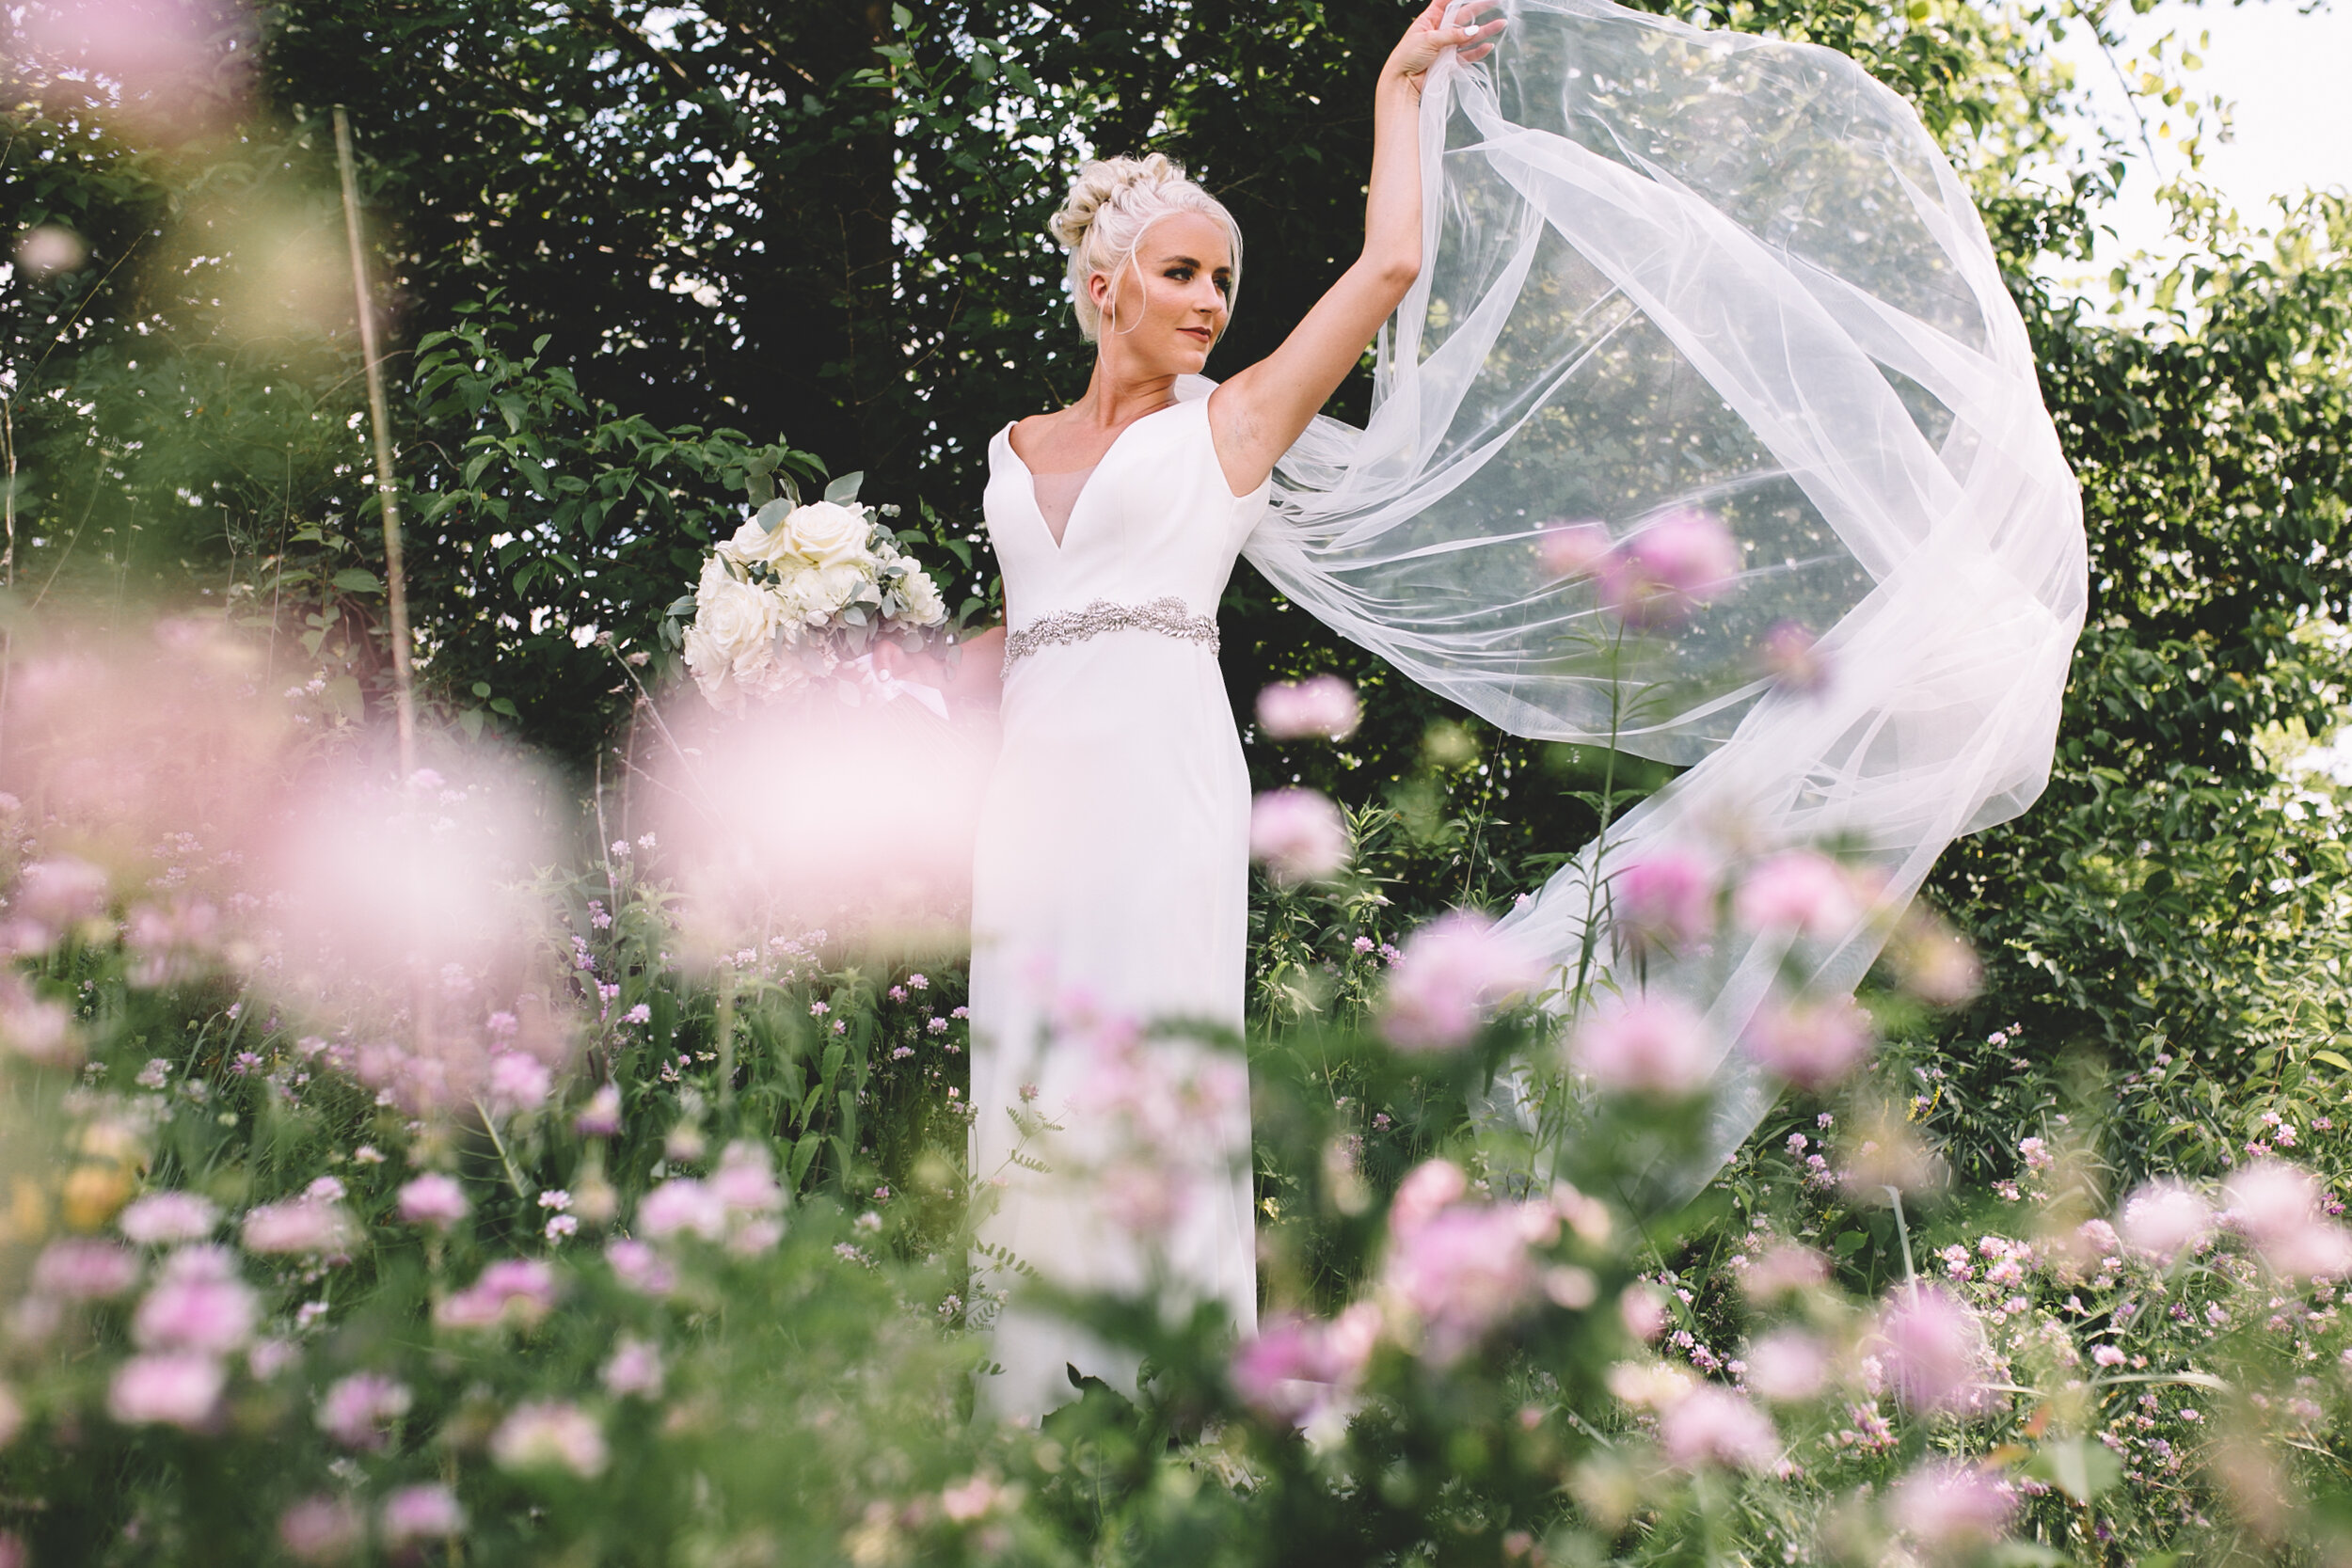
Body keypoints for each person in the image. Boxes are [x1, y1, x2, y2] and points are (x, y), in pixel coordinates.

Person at [947, 0, 1504, 1424]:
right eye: (1181, 272)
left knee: (1150, 1064)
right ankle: (1028, 1414)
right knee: (1029, 1066)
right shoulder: (1009, 452)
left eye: (1223, 280)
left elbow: (1390, 263)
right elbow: (1024, 630)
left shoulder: (1232, 424)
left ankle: (1174, 1406)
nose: (1209, 300)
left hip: (1160, 786)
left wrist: (1401, 82)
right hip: (1029, 804)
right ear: (1106, 283)